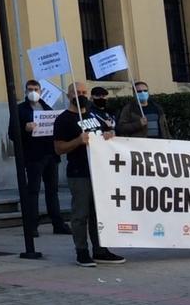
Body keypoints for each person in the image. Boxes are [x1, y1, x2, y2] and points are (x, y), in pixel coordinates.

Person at [53, 81, 126, 268]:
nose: (82, 95)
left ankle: (101, 250)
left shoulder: (94, 116)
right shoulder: (64, 119)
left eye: (84, 92)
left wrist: (108, 136)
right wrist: (78, 140)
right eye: (77, 92)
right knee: (81, 214)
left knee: (99, 214)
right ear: (69, 95)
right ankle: (82, 251)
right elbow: (59, 148)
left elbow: (104, 137)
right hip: (79, 173)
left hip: (99, 172)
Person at [17, 80, 69, 237]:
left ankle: (57, 223)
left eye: (36, 89)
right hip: (33, 155)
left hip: (50, 154)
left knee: (52, 191)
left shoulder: (47, 108)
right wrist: (24, 128)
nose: (33, 92)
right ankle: (32, 225)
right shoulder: (20, 110)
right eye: (30, 89)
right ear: (26, 91)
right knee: (33, 190)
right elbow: (13, 134)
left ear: (40, 91)